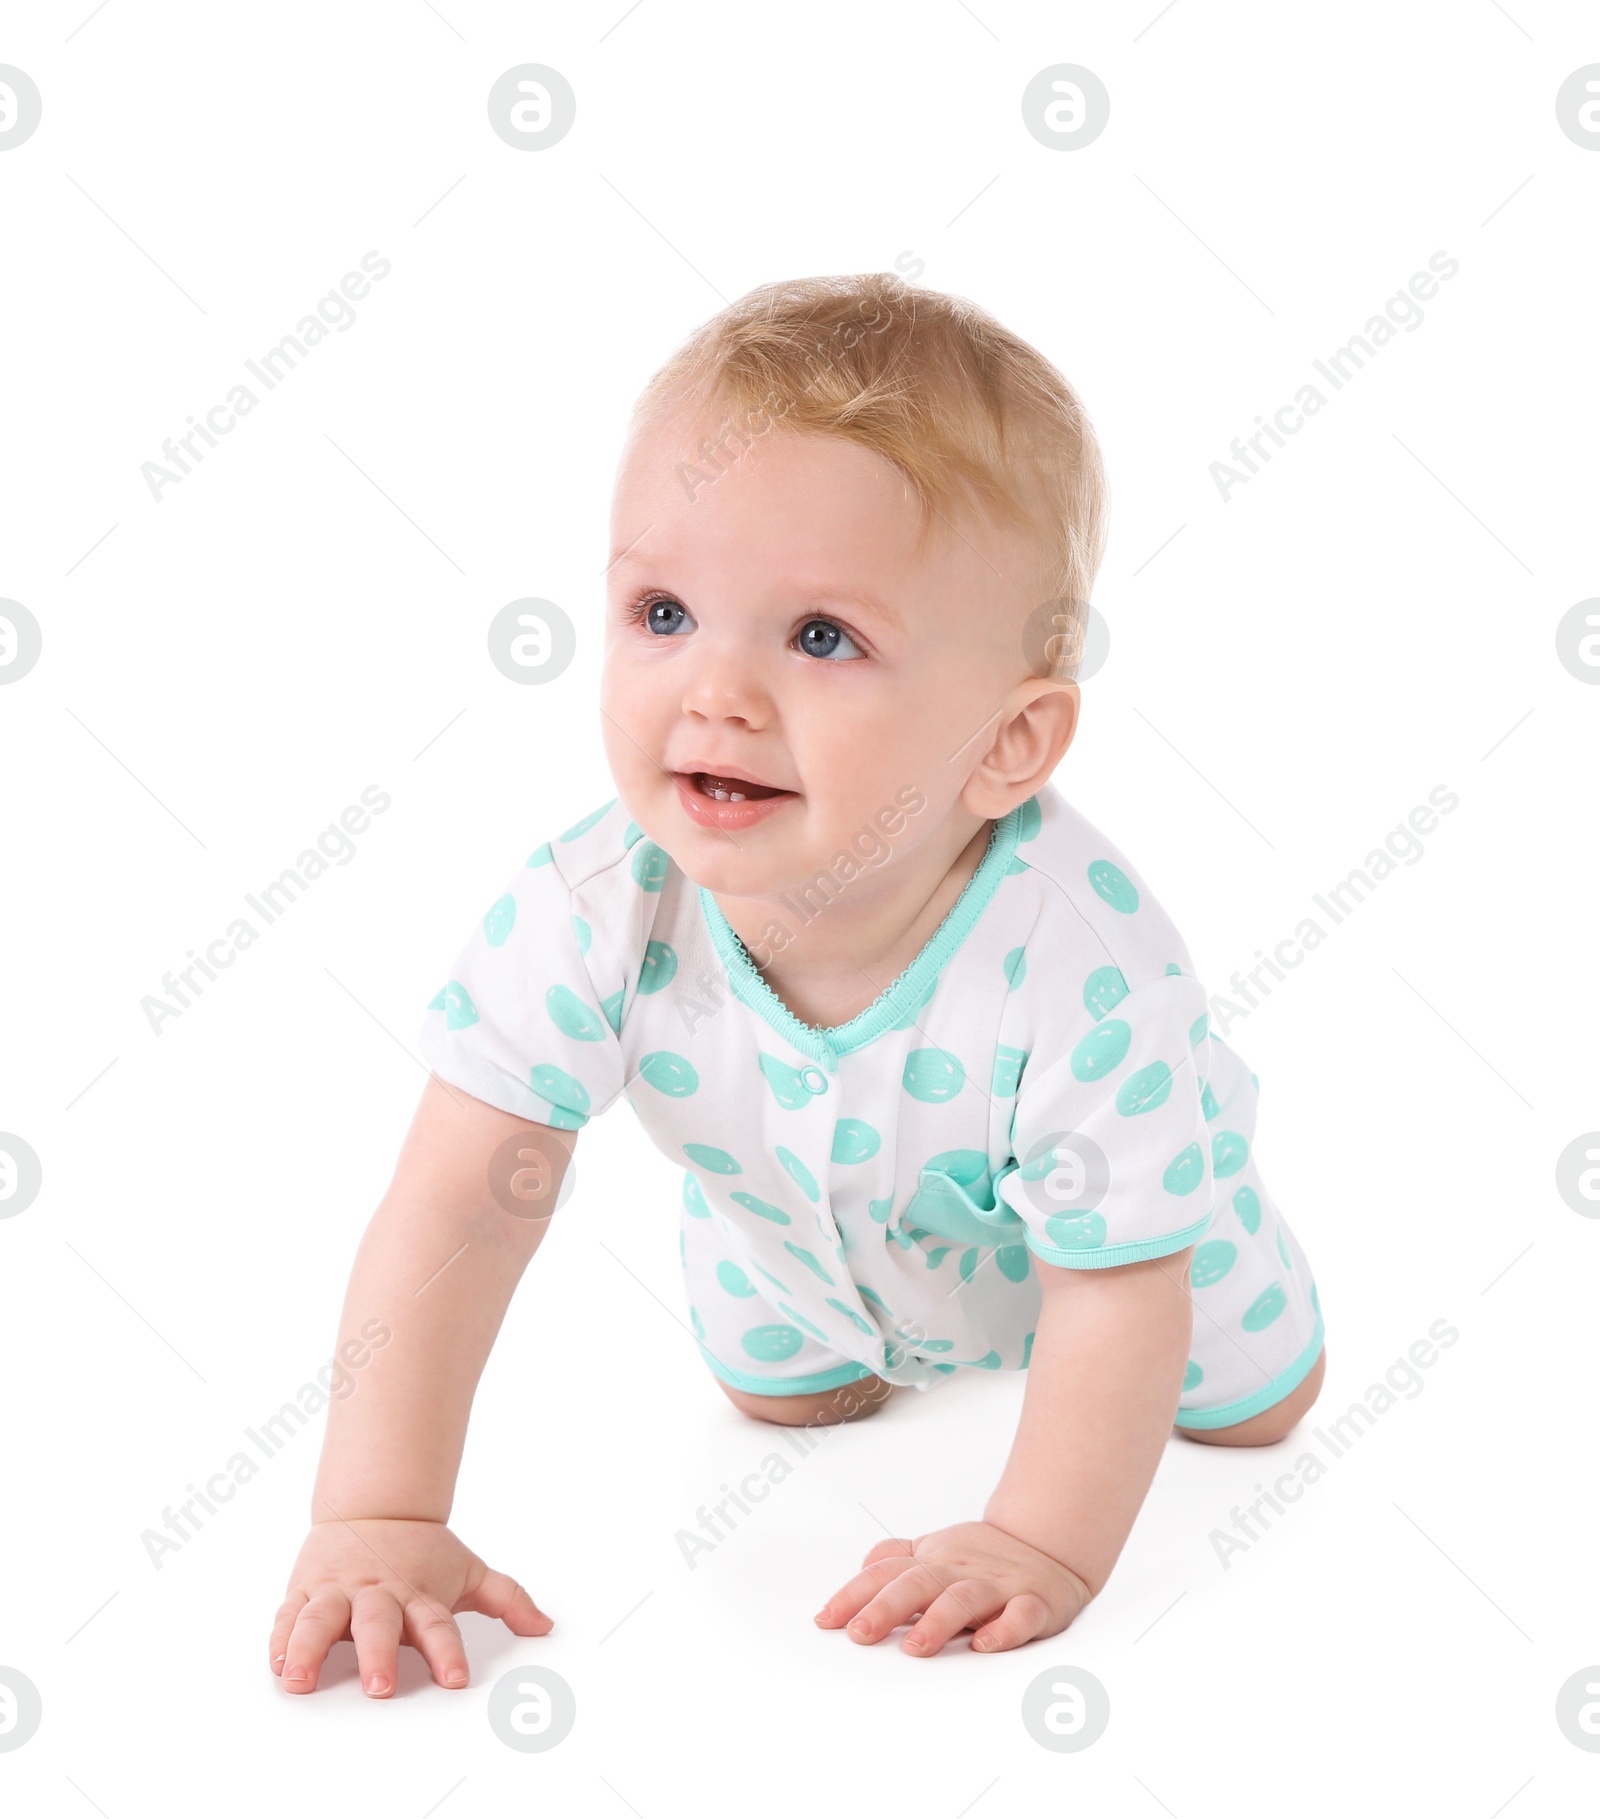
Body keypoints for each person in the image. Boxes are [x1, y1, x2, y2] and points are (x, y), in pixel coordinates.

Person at [269, 272, 1326, 1696]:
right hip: (787, 1252)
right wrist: (378, 1514)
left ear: (1010, 745)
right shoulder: (593, 907)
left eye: (821, 638)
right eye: (661, 611)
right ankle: (852, 1348)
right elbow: (460, 1196)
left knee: (1253, 1409)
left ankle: (1221, 1351)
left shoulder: (1087, 970)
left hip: (1142, 1251)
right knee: (787, 1401)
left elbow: (1120, 1290)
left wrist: (1041, 1542)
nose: (715, 692)